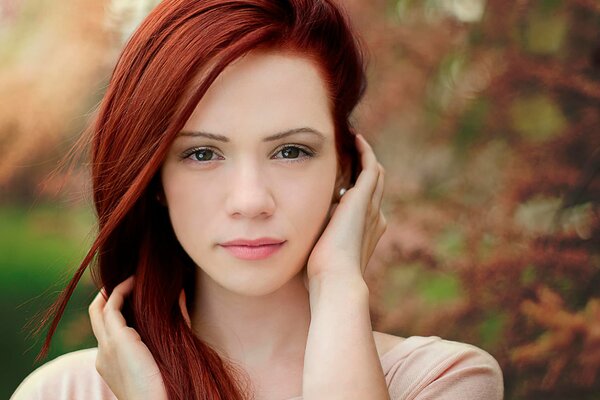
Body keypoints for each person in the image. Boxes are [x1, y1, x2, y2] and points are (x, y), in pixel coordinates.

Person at [11, 0, 504, 399]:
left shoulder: (441, 381)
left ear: (347, 167)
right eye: (202, 153)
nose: (250, 201)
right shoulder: (64, 393)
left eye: (291, 151)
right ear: (155, 178)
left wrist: (337, 286)